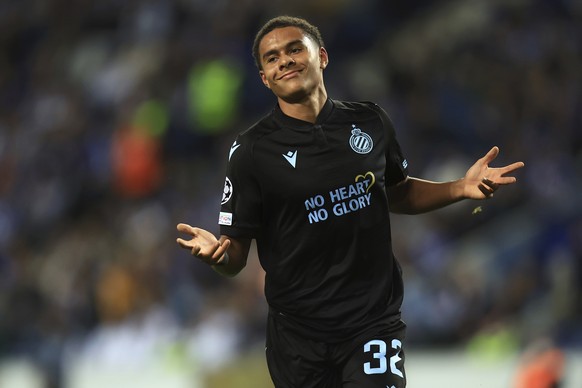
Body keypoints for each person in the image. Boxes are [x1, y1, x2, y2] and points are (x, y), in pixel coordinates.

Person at [176, 15, 525, 388]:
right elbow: (236, 256)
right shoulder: (250, 152)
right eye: (272, 57)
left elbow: (398, 191)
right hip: (298, 337)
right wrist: (219, 256)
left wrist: (460, 188)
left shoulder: (370, 121)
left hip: (373, 321)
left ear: (322, 56)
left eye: (295, 49)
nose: (285, 60)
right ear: (264, 78)